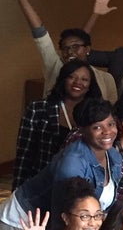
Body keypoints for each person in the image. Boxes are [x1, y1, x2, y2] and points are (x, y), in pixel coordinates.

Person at [1, 99, 122, 230]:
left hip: (59, 225)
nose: (107, 132)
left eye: (110, 124)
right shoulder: (72, 163)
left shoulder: (113, 156)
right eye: (97, 127)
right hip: (22, 224)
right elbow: (62, 217)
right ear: (82, 130)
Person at [10, 0, 117, 101]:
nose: (70, 51)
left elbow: (111, 114)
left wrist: (95, 14)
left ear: (88, 49)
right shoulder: (55, 66)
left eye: (75, 47)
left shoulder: (105, 78)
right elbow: (39, 31)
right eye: (65, 48)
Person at [13, 59, 102, 189]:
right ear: (63, 80)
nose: (77, 82)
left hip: (81, 187)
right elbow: (24, 154)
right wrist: (17, 190)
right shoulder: (38, 108)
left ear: (90, 86)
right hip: (41, 184)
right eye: (72, 77)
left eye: (84, 79)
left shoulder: (97, 115)